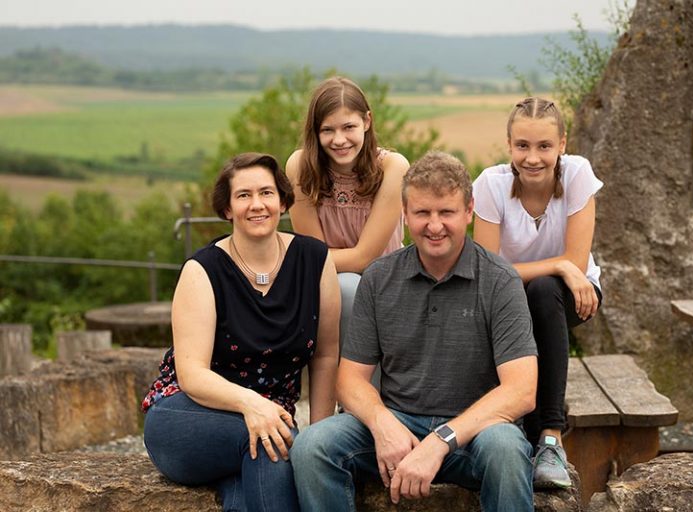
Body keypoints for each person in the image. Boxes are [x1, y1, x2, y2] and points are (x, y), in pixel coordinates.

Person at [291, 151, 539, 512]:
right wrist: (382, 425)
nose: (434, 225)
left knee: (507, 449)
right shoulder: (379, 278)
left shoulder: (500, 281)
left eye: (446, 213)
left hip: (476, 433)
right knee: (313, 446)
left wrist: (441, 441)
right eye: (422, 213)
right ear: (405, 216)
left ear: (469, 211)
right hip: (399, 422)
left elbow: (521, 391)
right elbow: (350, 381)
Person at [142, 152, 340, 512]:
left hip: (267, 419)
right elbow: (192, 374)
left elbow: (326, 354)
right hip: (187, 415)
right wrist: (252, 405)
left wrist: (319, 437)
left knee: (263, 462)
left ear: (282, 201)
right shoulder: (203, 270)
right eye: (243, 195)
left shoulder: (314, 259)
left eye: (266, 193)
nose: (257, 205)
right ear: (227, 208)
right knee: (274, 442)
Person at [473, 97, 604, 489]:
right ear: (509, 145)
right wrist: (558, 262)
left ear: (562, 144)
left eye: (544, 146)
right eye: (523, 146)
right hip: (505, 297)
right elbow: (488, 272)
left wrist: (564, 268)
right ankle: (524, 436)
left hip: (573, 293)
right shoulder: (490, 185)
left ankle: (550, 437)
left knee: (544, 291)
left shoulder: (578, 174)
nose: (533, 158)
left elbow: (576, 264)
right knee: (532, 293)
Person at [286, 76, 409, 348]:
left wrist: (298, 259)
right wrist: (307, 260)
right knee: (346, 287)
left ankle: (363, 387)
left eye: (349, 127)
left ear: (367, 121)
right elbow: (314, 252)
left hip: (387, 278)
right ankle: (344, 386)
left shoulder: (392, 167)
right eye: (327, 130)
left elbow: (366, 257)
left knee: (351, 287)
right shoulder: (300, 166)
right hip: (329, 284)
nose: (339, 140)